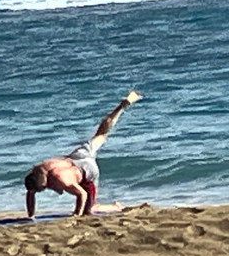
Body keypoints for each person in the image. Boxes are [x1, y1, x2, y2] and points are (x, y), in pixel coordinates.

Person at [24, 90, 143, 218]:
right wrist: (31, 217)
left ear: (43, 185)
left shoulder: (62, 180)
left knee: (90, 209)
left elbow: (82, 194)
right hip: (79, 155)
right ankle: (122, 106)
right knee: (101, 134)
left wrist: (77, 216)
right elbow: (31, 192)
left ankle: (116, 207)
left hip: (88, 169)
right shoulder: (39, 170)